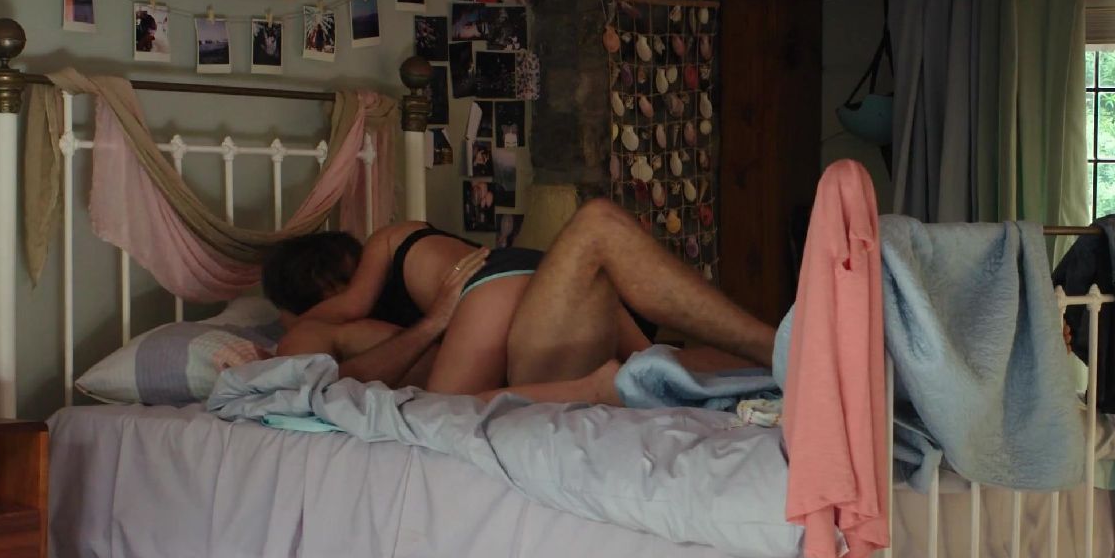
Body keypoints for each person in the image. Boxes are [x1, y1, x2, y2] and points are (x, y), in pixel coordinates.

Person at [263, 201, 773, 404]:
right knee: (596, 222)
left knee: (444, 418)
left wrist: (436, 320)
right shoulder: (405, 246)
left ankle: (598, 388)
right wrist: (643, 350)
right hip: (527, 273)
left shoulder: (321, 320)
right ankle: (775, 351)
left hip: (489, 294)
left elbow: (326, 361)